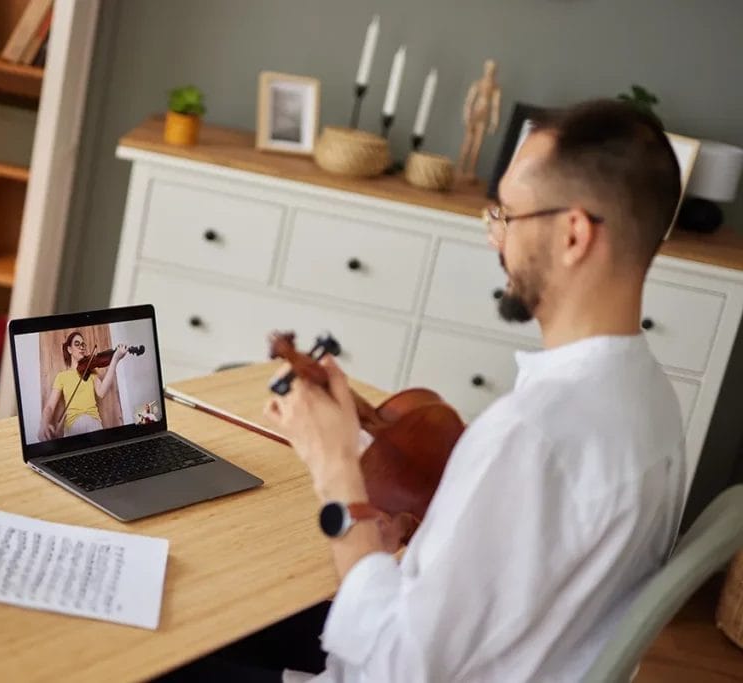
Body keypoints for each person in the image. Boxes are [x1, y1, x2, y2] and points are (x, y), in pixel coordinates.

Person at [158, 98, 688, 682]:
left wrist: (336, 470)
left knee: (148, 652)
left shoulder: (531, 434)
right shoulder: (651, 399)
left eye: (508, 216)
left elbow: (396, 667)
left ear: (572, 234)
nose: (495, 239)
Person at [38, 331, 128, 441]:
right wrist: (44, 423)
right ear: (69, 349)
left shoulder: (91, 372)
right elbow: (50, 407)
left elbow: (102, 392)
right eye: (77, 344)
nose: (81, 347)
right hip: (73, 426)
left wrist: (115, 360)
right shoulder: (62, 376)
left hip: (94, 423)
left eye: (83, 344)